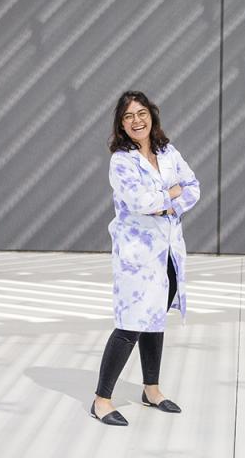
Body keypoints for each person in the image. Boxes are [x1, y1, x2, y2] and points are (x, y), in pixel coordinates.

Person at [90, 90, 200, 426]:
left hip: (167, 250)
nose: (137, 121)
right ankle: (101, 400)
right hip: (137, 255)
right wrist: (169, 196)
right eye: (128, 116)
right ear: (121, 125)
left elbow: (193, 185)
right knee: (129, 326)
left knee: (155, 319)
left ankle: (151, 390)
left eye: (141, 113)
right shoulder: (121, 161)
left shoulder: (167, 151)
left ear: (151, 115)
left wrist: (164, 201)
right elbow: (139, 201)